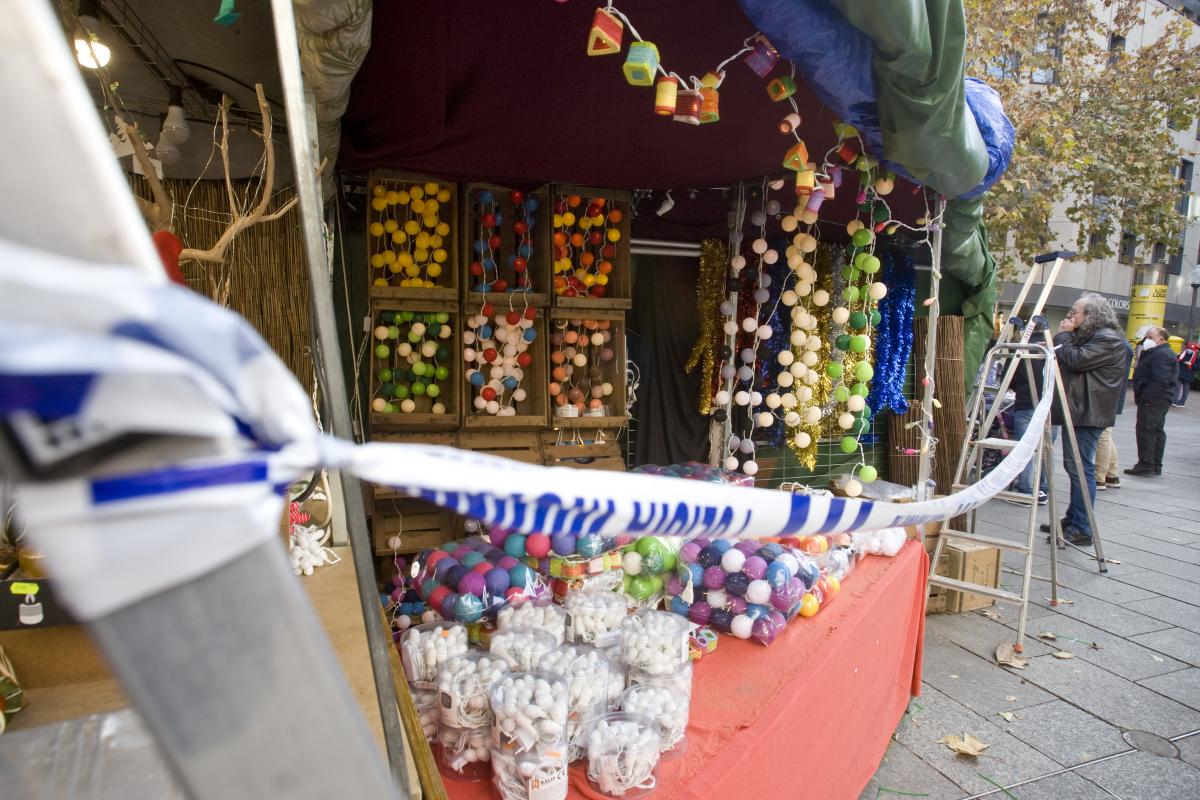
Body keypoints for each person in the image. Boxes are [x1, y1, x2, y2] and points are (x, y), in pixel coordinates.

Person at [1038, 295, 1127, 546]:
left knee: (1080, 468)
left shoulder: (1107, 339)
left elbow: (1076, 360)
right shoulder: (1097, 336)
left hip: (1089, 413)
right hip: (1081, 410)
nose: (1070, 317)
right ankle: (1074, 517)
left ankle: (1083, 527)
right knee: (1074, 467)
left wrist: (1064, 335)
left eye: (1074, 312)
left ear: (1091, 315)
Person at [1126, 326, 1178, 476]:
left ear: (1160, 339)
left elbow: (1160, 379)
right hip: (1158, 398)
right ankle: (1153, 465)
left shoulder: (1162, 354)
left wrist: (1146, 396)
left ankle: (1146, 464)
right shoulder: (1160, 352)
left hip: (1154, 399)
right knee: (1155, 430)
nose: (1145, 340)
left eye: (1149, 337)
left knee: (1147, 430)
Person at [1008, 323, 1050, 504]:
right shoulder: (1053, 347)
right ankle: (1042, 488)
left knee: (1026, 447)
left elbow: (1009, 378)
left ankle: (1025, 488)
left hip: (1026, 402)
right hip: (1049, 405)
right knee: (1045, 448)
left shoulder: (1021, 347)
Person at [1094, 338, 1133, 490]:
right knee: (1106, 435)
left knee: (1103, 436)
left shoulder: (1114, 344)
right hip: (1112, 396)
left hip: (1107, 397)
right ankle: (1111, 474)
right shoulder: (1122, 344)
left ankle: (1100, 477)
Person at [1175, 341, 1198, 407]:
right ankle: (1174, 400)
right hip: (1180, 373)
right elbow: (1177, 359)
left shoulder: (1196, 357)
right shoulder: (1183, 354)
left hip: (1188, 375)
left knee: (1185, 389)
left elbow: (1198, 366)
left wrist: (1191, 364)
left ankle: (1182, 402)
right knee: (1177, 387)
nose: (1188, 348)